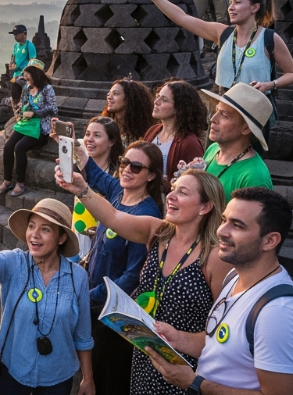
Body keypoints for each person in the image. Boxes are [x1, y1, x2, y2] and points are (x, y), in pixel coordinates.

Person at [56, 168, 232, 394]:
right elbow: (113, 217)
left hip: (183, 368)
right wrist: (82, 189)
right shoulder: (159, 232)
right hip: (143, 356)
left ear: (205, 207)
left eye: (183, 192)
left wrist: (181, 340)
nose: (171, 196)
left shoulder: (215, 257)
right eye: (173, 189)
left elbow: (224, 330)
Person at [147, 188, 293, 395]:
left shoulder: (280, 312)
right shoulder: (234, 276)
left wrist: (194, 383)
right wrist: (178, 338)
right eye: (224, 220)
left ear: (270, 241)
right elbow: (222, 346)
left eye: (237, 225)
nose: (221, 231)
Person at [0, 199, 95, 394]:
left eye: (45, 229)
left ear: (61, 238)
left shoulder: (77, 277)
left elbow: (83, 334)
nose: (34, 234)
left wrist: (88, 378)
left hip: (57, 376)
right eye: (31, 226)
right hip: (12, 372)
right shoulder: (15, 263)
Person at [138, 0, 293, 146]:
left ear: (254, 7)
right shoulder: (223, 33)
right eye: (230, 3)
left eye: (237, 2)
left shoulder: (269, 38)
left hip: (253, 108)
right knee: (215, 153)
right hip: (224, 103)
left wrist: (269, 84)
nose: (231, 8)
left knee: (248, 155)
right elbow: (182, 18)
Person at [75, 140, 164, 395]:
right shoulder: (118, 191)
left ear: (151, 175)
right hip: (95, 305)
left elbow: (133, 277)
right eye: (124, 162)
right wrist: (74, 147)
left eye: (136, 167)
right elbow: (96, 175)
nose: (126, 169)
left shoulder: (146, 214)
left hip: (113, 318)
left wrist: (89, 296)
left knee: (106, 380)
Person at [50, 116, 125, 261]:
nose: (89, 139)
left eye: (97, 135)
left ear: (111, 141)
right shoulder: (78, 168)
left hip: (101, 246)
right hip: (76, 242)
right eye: (87, 134)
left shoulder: (117, 176)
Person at [201, 83, 274, 201]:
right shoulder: (213, 149)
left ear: (246, 128)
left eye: (224, 115)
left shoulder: (254, 176)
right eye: (216, 111)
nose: (213, 119)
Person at [0, 59, 57, 197]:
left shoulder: (47, 89)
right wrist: (22, 110)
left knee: (20, 147)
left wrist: (36, 113)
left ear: (35, 74)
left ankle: (20, 183)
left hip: (41, 126)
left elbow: (53, 108)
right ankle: (7, 180)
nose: (25, 77)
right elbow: (23, 104)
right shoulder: (26, 88)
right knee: (8, 147)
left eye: (27, 74)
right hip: (26, 124)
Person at [143, 80, 208, 188]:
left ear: (179, 108)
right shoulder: (152, 131)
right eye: (158, 96)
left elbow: (193, 185)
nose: (156, 101)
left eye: (164, 99)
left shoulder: (189, 143)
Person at [102, 78, 155, 148]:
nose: (109, 97)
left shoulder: (142, 134)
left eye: (115, 94)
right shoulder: (105, 126)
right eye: (109, 93)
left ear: (128, 99)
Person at [8, 24, 37, 105]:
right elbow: (13, 58)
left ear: (24, 33)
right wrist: (12, 64)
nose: (15, 36)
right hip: (16, 75)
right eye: (14, 34)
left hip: (25, 77)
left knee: (24, 100)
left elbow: (33, 61)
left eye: (17, 34)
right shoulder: (16, 46)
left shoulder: (29, 45)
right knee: (15, 98)